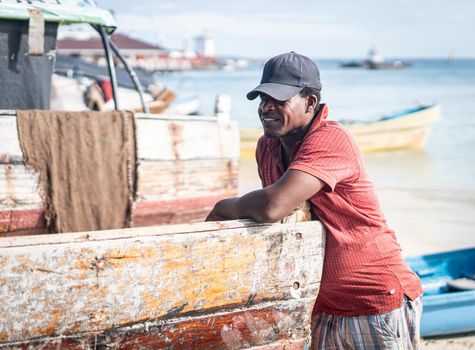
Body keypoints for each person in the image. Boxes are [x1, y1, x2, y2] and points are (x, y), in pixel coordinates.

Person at [205, 52, 423, 349]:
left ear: (310, 102)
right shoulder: (267, 147)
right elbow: (281, 220)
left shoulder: (331, 139)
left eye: (279, 99)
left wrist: (222, 208)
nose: (266, 108)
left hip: (373, 299)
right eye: (262, 99)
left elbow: (273, 206)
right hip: (321, 303)